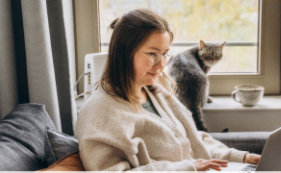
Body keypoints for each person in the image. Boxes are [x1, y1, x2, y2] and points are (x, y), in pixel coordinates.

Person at [75, 9, 260, 171]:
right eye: (152, 54)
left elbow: (192, 140)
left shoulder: (155, 91)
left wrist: (239, 158)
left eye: (164, 54)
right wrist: (185, 168)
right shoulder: (100, 112)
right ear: (124, 53)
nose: (161, 65)